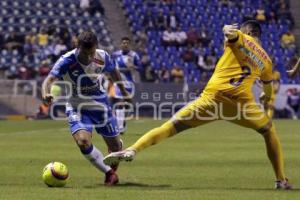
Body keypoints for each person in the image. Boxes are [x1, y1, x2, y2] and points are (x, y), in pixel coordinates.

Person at [104, 21, 293, 189]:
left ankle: (132, 149)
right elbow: (268, 90)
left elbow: (232, 35)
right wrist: (265, 99)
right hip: (241, 105)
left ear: (248, 31)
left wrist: (226, 29)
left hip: (212, 98)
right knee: (269, 131)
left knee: (169, 127)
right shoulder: (266, 60)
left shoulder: (241, 37)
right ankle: (280, 180)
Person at [42, 30, 130, 186]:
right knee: (83, 141)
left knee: (115, 148)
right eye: (85, 53)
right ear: (78, 47)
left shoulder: (102, 56)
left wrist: (124, 93)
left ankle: (115, 150)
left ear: (96, 46)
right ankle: (109, 173)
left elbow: (114, 73)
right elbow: (48, 80)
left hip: (101, 105)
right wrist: (46, 93)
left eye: (92, 52)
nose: (89, 57)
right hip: (77, 106)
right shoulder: (67, 60)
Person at [112, 37, 141, 134]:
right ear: (121, 44)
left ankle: (122, 122)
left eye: (127, 43)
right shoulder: (115, 55)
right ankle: (120, 127)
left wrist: (133, 67)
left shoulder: (134, 55)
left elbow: (140, 67)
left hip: (129, 82)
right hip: (119, 82)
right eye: (123, 43)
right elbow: (111, 66)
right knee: (120, 102)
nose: (125, 44)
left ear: (129, 44)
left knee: (127, 104)